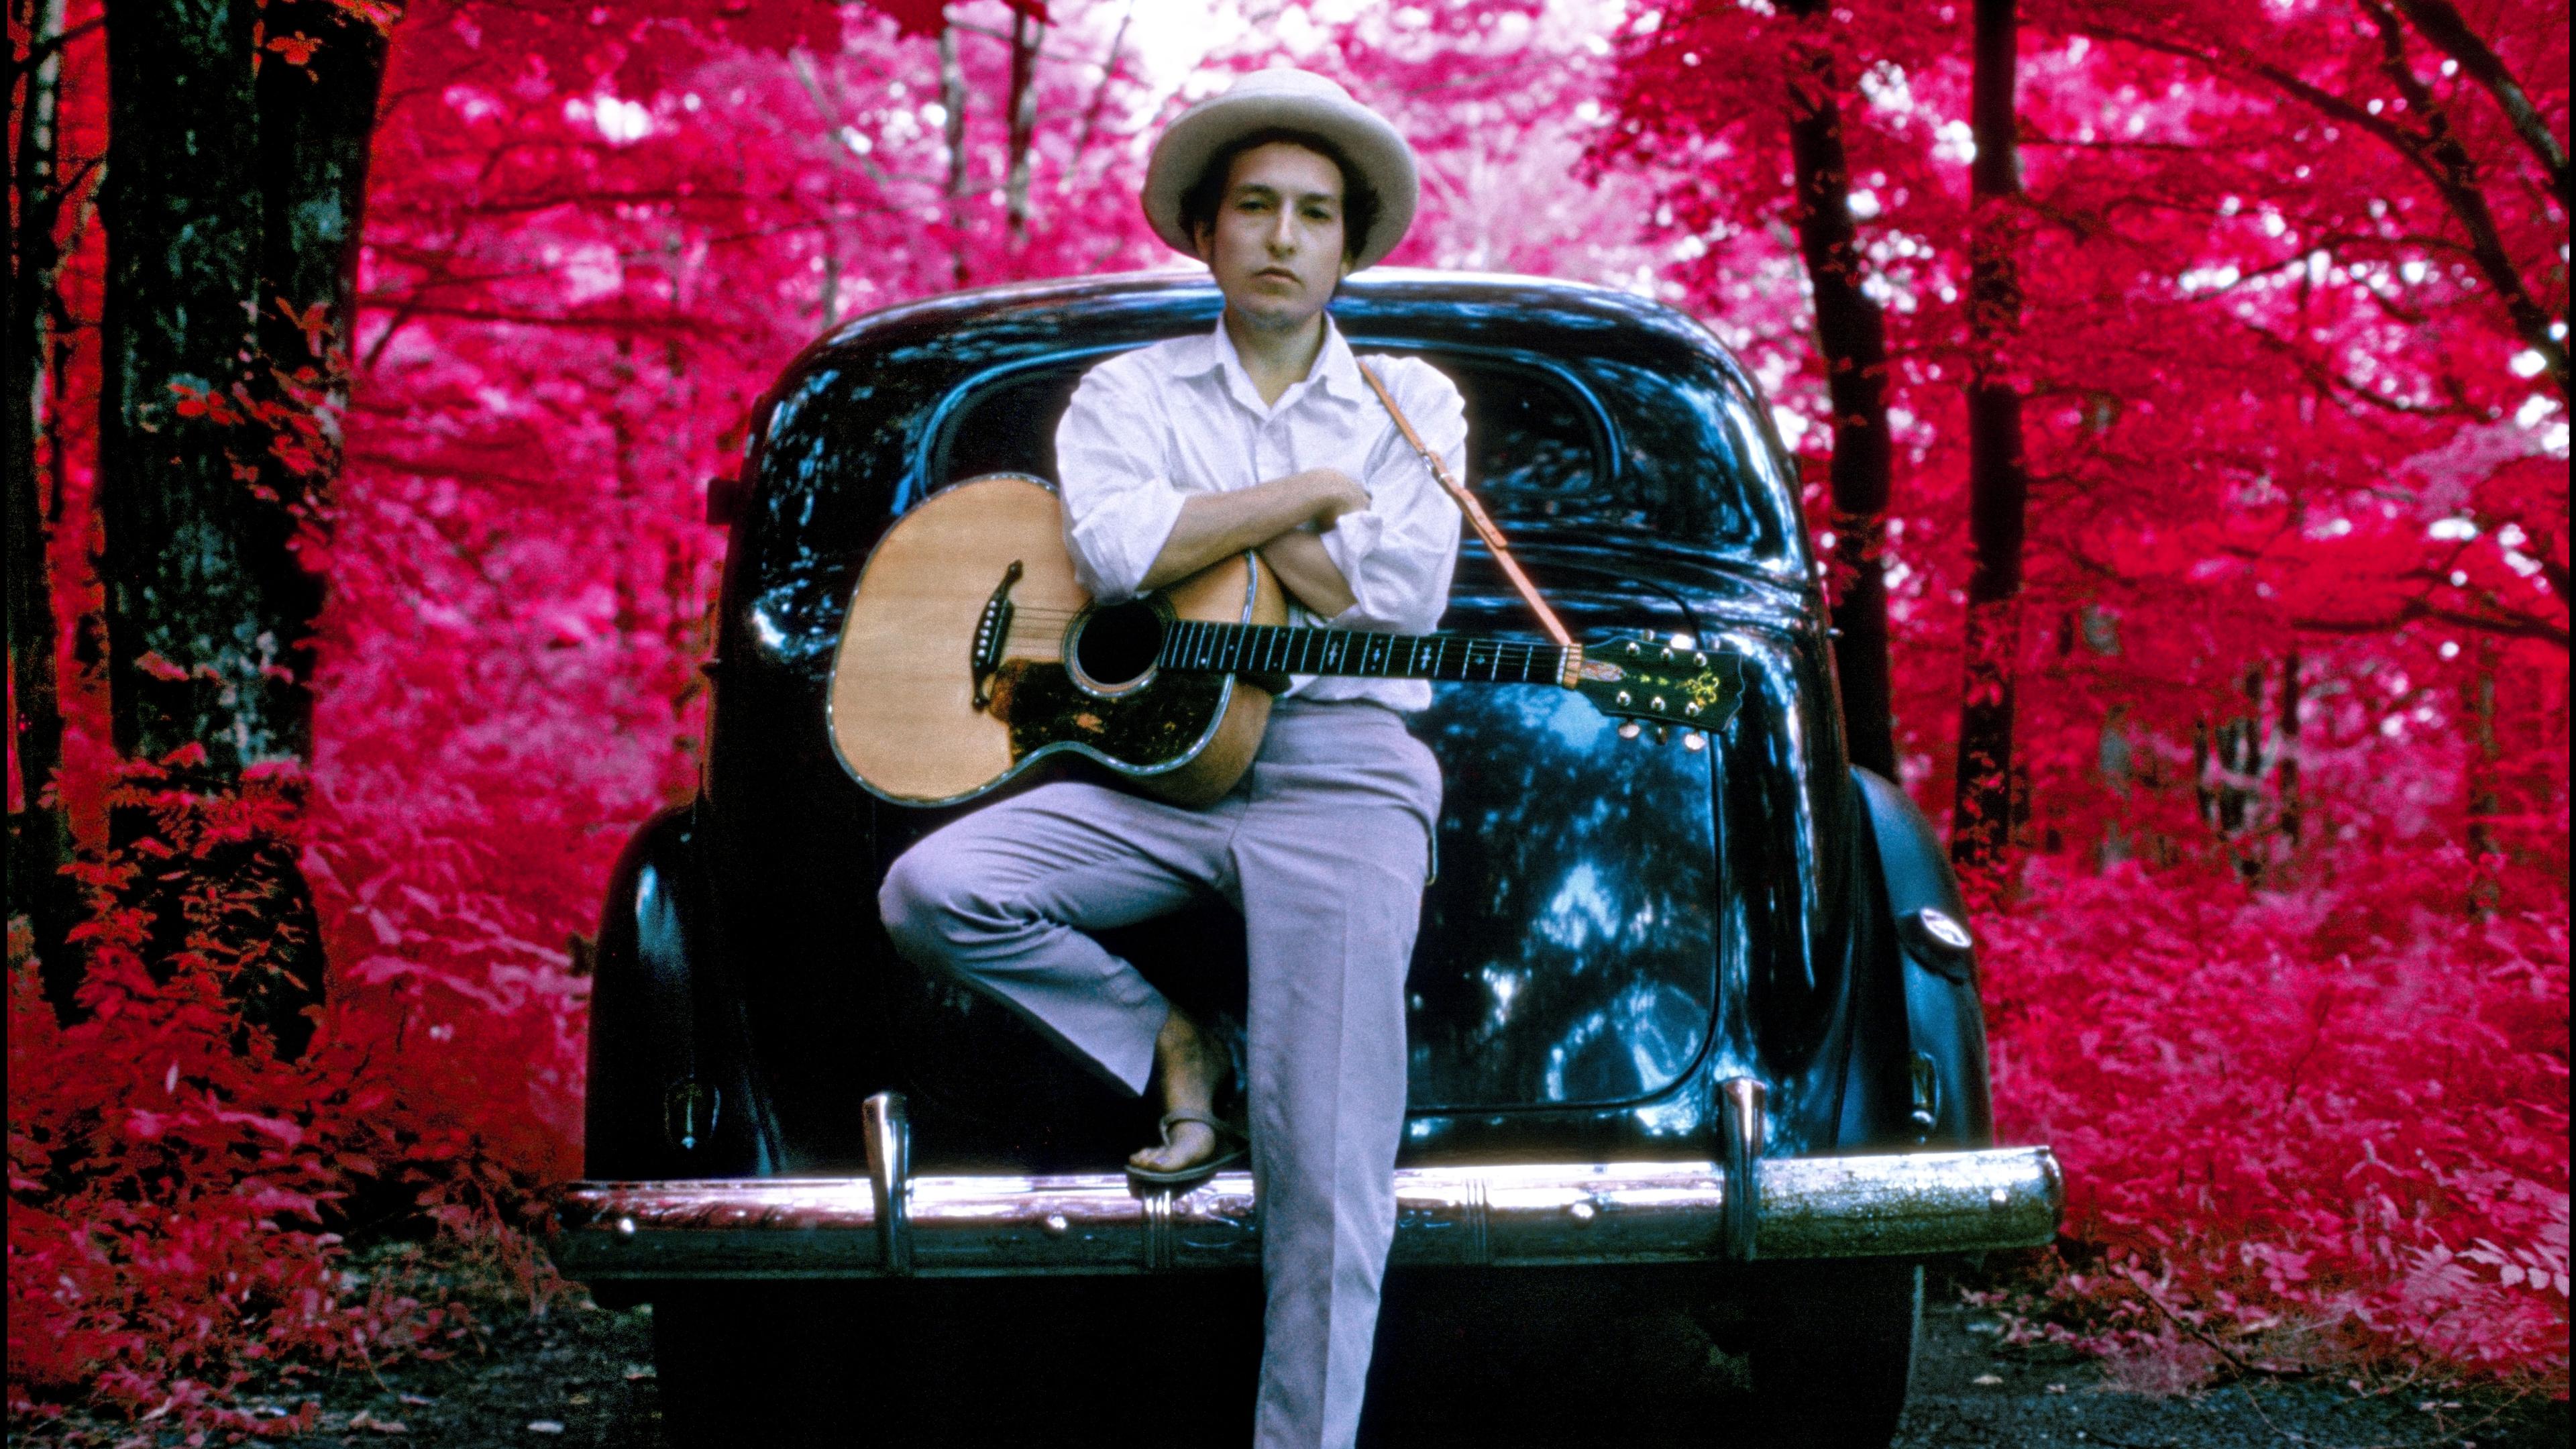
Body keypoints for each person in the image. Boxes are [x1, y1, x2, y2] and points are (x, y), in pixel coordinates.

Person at [876, 67, 1464, 1449]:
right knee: (934, 890)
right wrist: (1312, 501)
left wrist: (1228, 530)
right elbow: (1119, 555)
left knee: (1326, 1172)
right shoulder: (1125, 392)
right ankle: (1173, 1038)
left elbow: (1399, 603)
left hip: (1343, 772)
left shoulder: (1414, 400)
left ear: (1347, 243)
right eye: (1252, 205)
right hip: (1158, 774)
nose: (1281, 235)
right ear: (1203, 232)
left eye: (1314, 214)